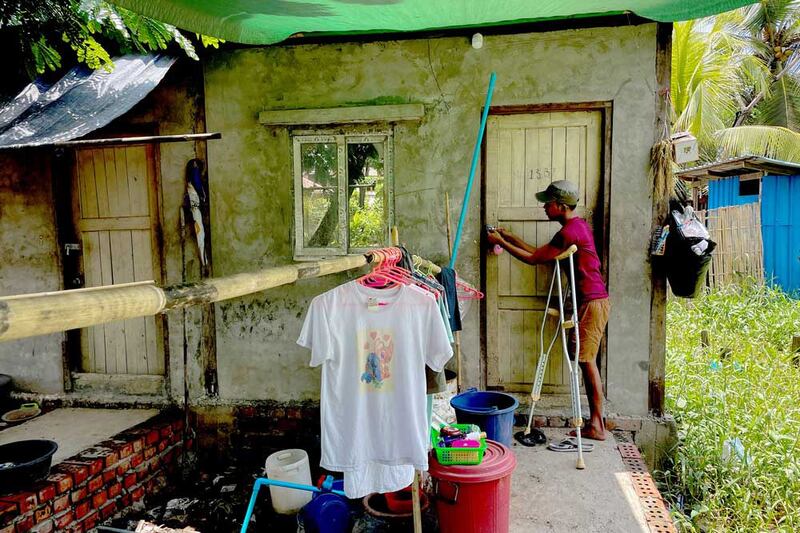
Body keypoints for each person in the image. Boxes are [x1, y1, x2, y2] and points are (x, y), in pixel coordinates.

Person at [487, 180, 610, 441]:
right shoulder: (574, 227)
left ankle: (597, 424)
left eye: (548, 203)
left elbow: (533, 260)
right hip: (592, 301)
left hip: (590, 301)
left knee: (587, 361)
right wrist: (509, 237)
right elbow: (541, 254)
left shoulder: (569, 232)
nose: (544, 207)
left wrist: (500, 242)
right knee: (585, 360)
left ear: (562, 206)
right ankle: (595, 422)